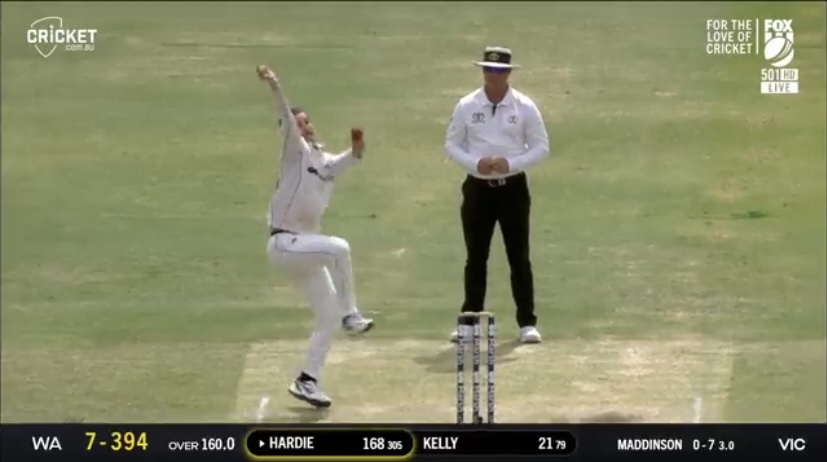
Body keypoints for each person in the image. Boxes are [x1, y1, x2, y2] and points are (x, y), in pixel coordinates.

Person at [256, 64, 374, 408]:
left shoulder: (321, 159)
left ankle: (307, 380)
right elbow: (285, 115)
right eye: (301, 122)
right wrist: (275, 85)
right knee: (340, 248)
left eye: (308, 121)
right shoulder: (295, 153)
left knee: (327, 316)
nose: (307, 125)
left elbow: (351, 160)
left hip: (303, 251)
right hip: (284, 243)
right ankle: (353, 314)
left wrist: (357, 147)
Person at [444, 46, 550, 344]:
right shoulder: (467, 105)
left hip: (512, 189)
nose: (493, 75)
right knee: (476, 255)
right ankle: (469, 321)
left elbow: (541, 146)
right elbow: (452, 145)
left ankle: (526, 323)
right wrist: (476, 164)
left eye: (499, 70)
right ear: (482, 71)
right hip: (477, 189)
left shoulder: (524, 106)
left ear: (508, 73)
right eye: (488, 70)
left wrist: (510, 164)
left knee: (519, 256)